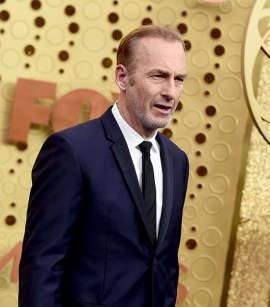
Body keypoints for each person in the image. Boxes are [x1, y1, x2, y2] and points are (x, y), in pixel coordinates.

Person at [19, 24, 189, 307]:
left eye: (179, 79)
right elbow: (43, 265)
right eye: (158, 76)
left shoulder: (177, 161)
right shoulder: (71, 151)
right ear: (123, 77)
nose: (171, 92)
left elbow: (165, 264)